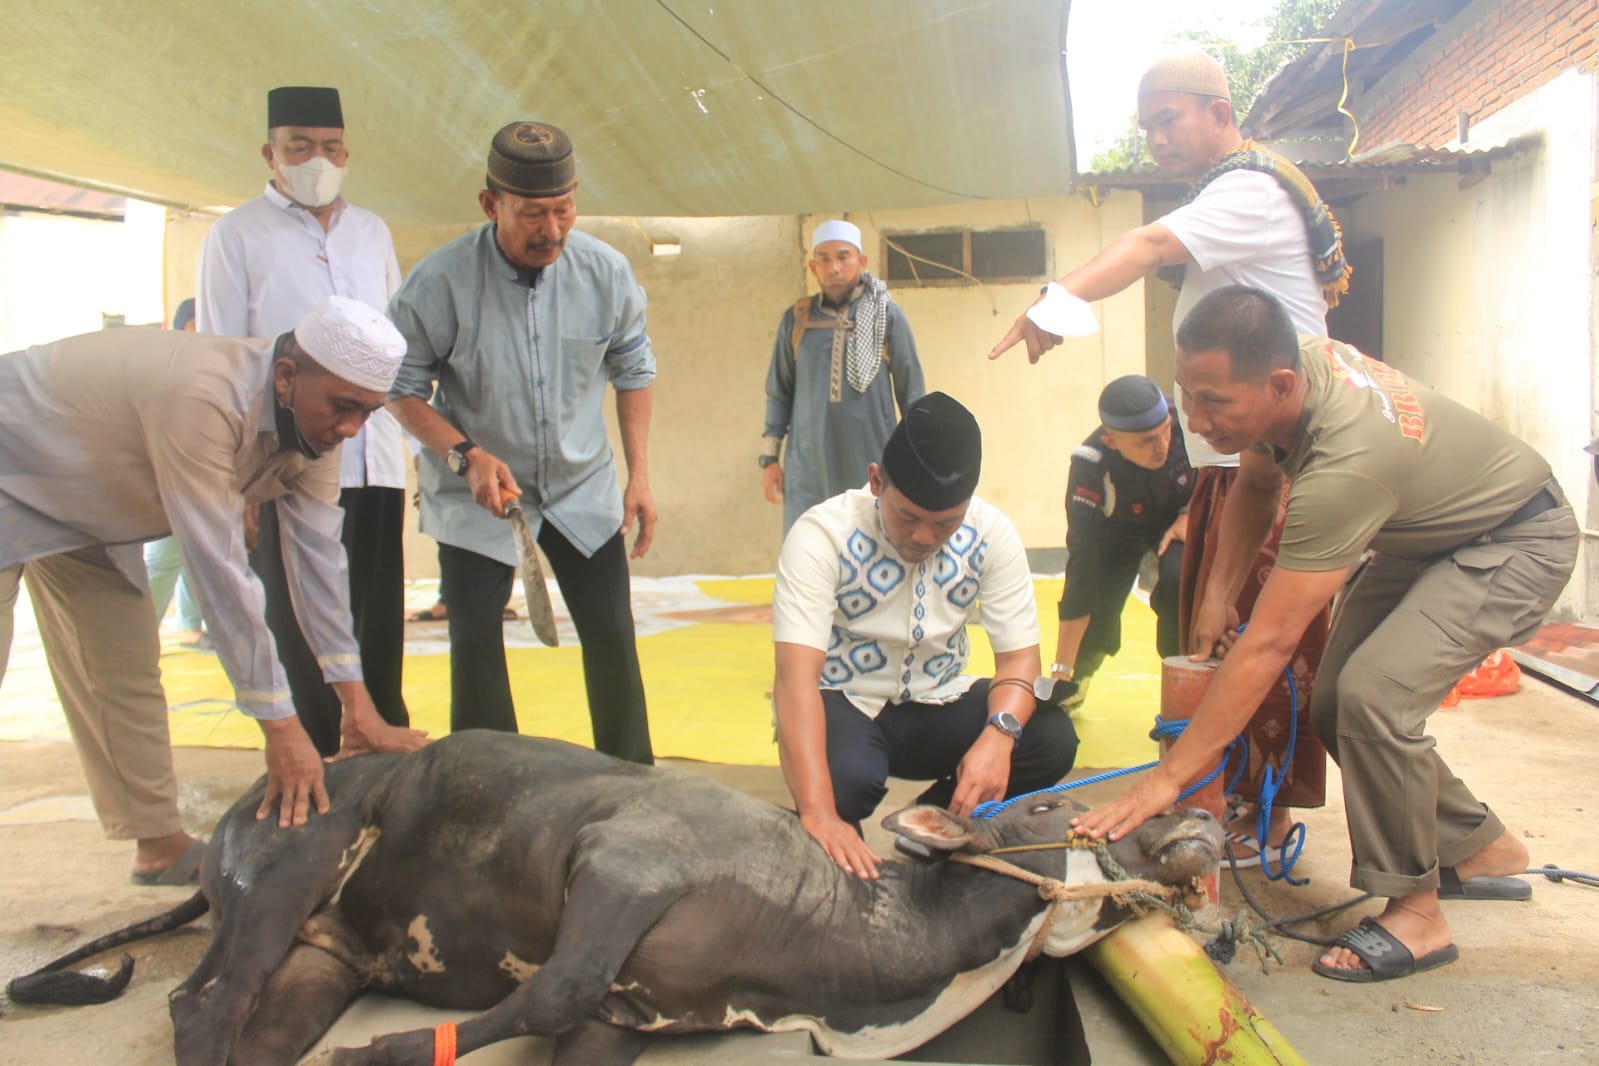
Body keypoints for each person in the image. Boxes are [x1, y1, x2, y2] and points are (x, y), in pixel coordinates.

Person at [1077, 286, 1577, 982]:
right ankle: (1475, 844)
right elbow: (1253, 486)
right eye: (1186, 395)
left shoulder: (1344, 466)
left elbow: (1269, 644)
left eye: (1213, 402)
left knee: (1374, 698)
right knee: (1336, 701)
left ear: (1278, 384)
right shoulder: (1296, 372)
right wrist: (1219, 593)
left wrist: (1168, 777)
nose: (1194, 419)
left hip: (1515, 538)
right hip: (1428, 535)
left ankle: (1416, 914)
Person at [987, 51, 1347, 864]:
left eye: (1167, 117)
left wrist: (1060, 299)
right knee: (1210, 634)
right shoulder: (1227, 193)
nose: (1153, 137)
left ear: (1219, 112)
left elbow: (1148, 245)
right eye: (1146, 123)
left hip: (1281, 469)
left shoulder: (1249, 191)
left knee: (1264, 647)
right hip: (1241, 469)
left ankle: (1263, 817)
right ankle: (1218, 801)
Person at [0, 297, 429, 883]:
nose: (351, 428)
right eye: (343, 407)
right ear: (286, 376)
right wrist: (280, 727)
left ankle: (158, 845)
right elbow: (219, 573)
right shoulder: (203, 397)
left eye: (368, 414)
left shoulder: (316, 432)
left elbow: (320, 567)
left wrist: (357, 707)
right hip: (12, 454)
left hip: (83, 502)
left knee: (120, 666)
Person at [387, 120, 656, 764]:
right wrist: (464, 454)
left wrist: (639, 475)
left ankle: (631, 781)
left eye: (563, 210)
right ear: (491, 205)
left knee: (613, 633)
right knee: (476, 637)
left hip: (578, 486)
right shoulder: (440, 282)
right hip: (478, 491)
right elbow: (398, 387)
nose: (552, 231)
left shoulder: (605, 272)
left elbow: (634, 370)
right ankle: (485, 787)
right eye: (533, 214)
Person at [772, 391, 1079, 879]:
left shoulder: (991, 533)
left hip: (937, 699)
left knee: (1050, 738)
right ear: (877, 481)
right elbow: (794, 680)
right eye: (908, 517)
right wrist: (819, 813)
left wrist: (999, 738)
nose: (923, 537)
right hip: (846, 698)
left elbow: (1020, 664)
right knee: (845, 783)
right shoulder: (822, 535)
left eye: (945, 524)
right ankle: (834, 823)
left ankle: (931, 824)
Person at [196, 85, 410, 758]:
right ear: (271, 152)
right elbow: (220, 354)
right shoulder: (235, 235)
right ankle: (315, 758)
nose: (317, 159)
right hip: (285, 459)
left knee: (377, 617)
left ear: (347, 153)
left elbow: (392, 338)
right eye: (299, 147)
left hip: (373, 454)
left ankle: (378, 747)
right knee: (297, 616)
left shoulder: (371, 231)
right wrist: (238, 483)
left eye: (330, 147)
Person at [761, 219, 926, 534]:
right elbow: (779, 392)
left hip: (872, 463)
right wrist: (769, 460)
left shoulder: (887, 316)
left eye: (843, 256)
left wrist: (916, 462)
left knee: (875, 549)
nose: (833, 266)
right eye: (823, 258)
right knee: (808, 552)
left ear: (862, 261)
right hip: (809, 467)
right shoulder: (797, 319)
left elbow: (913, 395)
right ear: (813, 266)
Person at [1054, 376, 1192, 700]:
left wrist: (1190, 513)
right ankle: (1077, 679)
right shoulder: (1089, 466)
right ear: (1112, 441)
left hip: (1179, 518)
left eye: (1165, 431)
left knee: (1179, 581)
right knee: (1098, 606)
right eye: (1145, 441)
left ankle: (1183, 678)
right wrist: (1061, 668)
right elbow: (1082, 562)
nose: (1162, 446)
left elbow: (1223, 473)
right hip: (1119, 529)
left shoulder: (1189, 423)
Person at [143, 297, 210, 648]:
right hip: (168, 474)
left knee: (197, 553)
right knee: (164, 557)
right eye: (194, 325)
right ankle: (138, 635)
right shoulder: (165, 367)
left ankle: (190, 626)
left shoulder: (212, 365)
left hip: (202, 474)